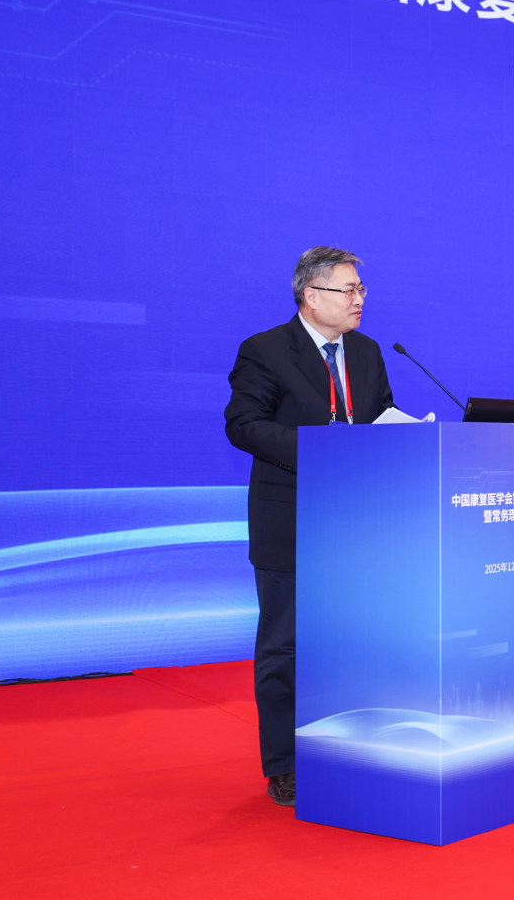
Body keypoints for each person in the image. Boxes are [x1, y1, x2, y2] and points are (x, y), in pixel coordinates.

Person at [224, 246, 395, 806]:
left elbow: (380, 415)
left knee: (355, 639)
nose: (359, 300)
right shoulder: (266, 350)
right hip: (291, 518)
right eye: (349, 290)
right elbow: (242, 425)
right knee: (286, 646)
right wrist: (322, 450)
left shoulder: (367, 352)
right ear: (310, 295)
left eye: (361, 289)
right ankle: (287, 764)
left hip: (358, 523)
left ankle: (352, 746)